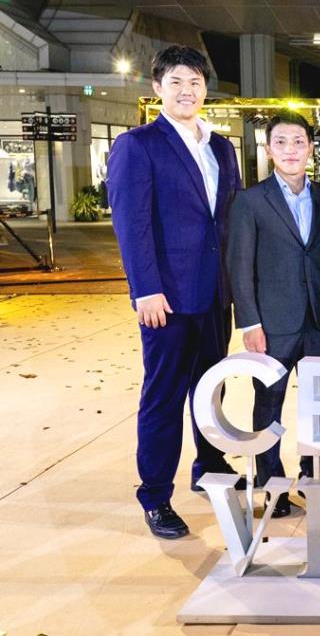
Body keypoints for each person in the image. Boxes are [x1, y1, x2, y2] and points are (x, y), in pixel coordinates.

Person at [107, 45, 242, 540]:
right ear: (157, 88)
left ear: (206, 88)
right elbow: (132, 224)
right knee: (163, 396)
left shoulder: (221, 147)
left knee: (211, 391)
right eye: (176, 82)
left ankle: (209, 466)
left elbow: (228, 220)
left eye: (195, 82)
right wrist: (145, 289)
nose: (187, 91)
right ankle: (156, 495)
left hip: (215, 295)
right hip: (165, 300)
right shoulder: (138, 145)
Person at [228, 111, 320, 518]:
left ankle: (314, 477)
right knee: (268, 404)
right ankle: (271, 483)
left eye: (298, 142)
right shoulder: (251, 201)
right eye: (281, 142)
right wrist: (250, 323)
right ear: (269, 149)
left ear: (310, 149)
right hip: (273, 324)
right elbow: (240, 266)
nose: (290, 150)